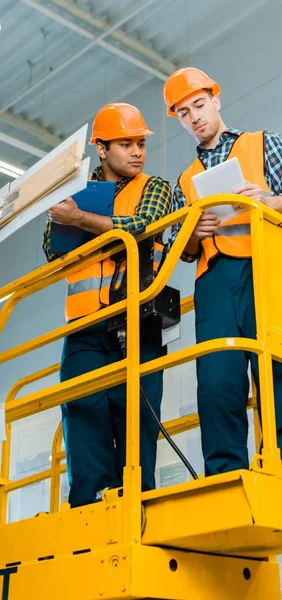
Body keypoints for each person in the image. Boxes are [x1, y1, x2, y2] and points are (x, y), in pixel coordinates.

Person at [164, 68, 282, 483]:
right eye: (183, 113)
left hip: (266, 268)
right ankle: (226, 476)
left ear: (216, 99)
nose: (193, 117)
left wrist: (266, 200)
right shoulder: (184, 181)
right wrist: (193, 233)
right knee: (217, 383)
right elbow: (184, 250)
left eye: (198, 105)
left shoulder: (263, 143)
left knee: (276, 372)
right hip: (214, 282)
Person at [42, 103, 172, 507]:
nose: (137, 152)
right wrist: (69, 215)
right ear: (101, 148)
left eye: (140, 144)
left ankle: (136, 505)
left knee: (134, 418)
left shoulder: (155, 188)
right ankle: (88, 509)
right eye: (125, 144)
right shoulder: (73, 191)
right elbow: (50, 248)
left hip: (137, 321)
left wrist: (81, 220)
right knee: (82, 415)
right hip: (82, 329)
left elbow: (143, 226)